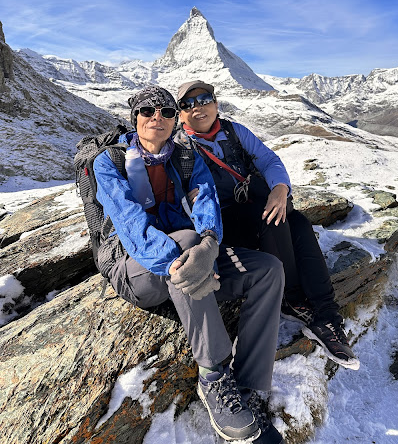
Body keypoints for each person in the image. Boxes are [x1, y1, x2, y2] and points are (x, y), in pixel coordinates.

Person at [93, 86, 285, 443]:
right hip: (136, 268)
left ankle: (248, 387)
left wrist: (210, 244)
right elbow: (131, 226)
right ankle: (213, 377)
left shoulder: (184, 155)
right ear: (134, 118)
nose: (158, 118)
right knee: (183, 242)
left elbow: (205, 200)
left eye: (166, 111)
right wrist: (184, 259)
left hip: (192, 254)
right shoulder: (109, 162)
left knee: (267, 270)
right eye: (148, 111)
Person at [175, 80, 360, 371]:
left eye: (204, 99)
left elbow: (268, 159)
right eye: (188, 104)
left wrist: (280, 188)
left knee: (297, 221)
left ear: (216, 103)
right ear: (180, 114)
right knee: (274, 220)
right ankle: (293, 300)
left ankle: (327, 315)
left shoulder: (234, 132)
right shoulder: (180, 149)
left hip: (249, 207)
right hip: (221, 225)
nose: (198, 107)